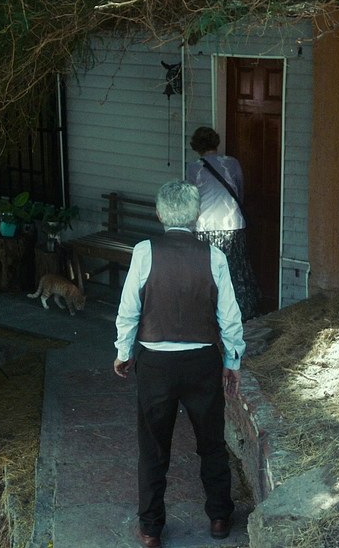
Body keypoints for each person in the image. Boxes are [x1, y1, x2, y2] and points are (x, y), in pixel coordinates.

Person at [113, 180, 246, 548]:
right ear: (196, 216)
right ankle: (219, 517)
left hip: (155, 362)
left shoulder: (145, 252)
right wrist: (232, 359)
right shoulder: (213, 256)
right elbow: (229, 316)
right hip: (202, 361)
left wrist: (124, 352)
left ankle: (150, 528)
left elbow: (129, 309)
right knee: (211, 441)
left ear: (159, 214)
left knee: (153, 447)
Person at [185, 126, 262, 321]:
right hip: (233, 224)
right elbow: (240, 192)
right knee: (236, 270)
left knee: (208, 271)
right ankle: (242, 313)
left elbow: (191, 200)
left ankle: (210, 313)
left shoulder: (194, 167)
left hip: (205, 226)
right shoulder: (232, 163)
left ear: (196, 146)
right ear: (216, 143)